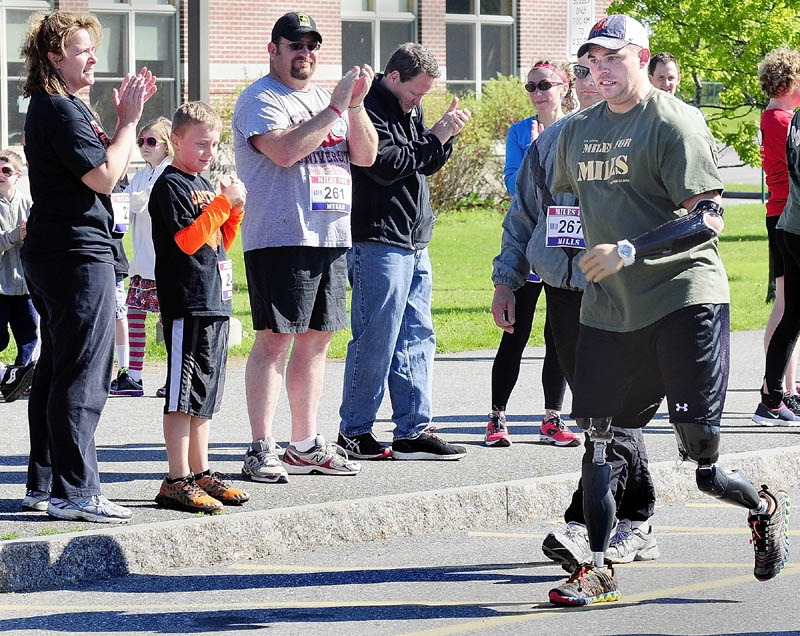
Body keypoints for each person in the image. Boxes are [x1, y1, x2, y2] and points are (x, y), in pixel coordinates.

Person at [547, 14, 790, 606]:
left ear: (641, 56)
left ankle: (761, 505)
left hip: (684, 301)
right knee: (599, 438)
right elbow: (560, 208)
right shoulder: (577, 131)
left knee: (700, 454)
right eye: (591, 61)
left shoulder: (673, 122)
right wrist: (527, 273)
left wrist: (628, 249)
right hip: (610, 310)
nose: (599, 71)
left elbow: (708, 216)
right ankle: (598, 567)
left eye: (612, 58)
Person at [492, 52, 658, 570]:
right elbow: (522, 216)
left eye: (600, 72)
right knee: (595, 412)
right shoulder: (549, 145)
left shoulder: (638, 138)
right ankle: (633, 518)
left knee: (614, 408)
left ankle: (591, 521)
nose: (592, 81)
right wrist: (507, 279)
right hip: (564, 293)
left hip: (620, 292)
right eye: (582, 72)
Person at [20, 11, 156, 521]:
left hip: (61, 252)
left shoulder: (61, 106)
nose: (93, 57)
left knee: (56, 370)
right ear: (55, 57)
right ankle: (78, 492)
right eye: (81, 49)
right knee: (82, 374)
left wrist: (118, 122)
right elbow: (104, 176)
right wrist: (128, 123)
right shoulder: (57, 107)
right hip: (76, 255)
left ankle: (47, 483)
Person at [233, 12, 377, 482]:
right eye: (295, 45)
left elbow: (366, 155)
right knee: (275, 341)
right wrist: (335, 109)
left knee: (317, 343)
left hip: (330, 235)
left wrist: (354, 107)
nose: (305, 54)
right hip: (281, 236)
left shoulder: (326, 99)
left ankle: (305, 442)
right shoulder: (260, 98)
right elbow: (285, 151)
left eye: (312, 46)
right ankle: (261, 446)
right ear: (273, 49)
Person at [336, 43, 471, 460]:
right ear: (393, 77)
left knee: (417, 334)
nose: (420, 100)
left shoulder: (409, 105)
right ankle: (354, 430)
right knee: (377, 336)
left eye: (426, 94)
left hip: (414, 237)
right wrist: (436, 136)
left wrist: (443, 134)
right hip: (377, 237)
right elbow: (385, 164)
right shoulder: (368, 106)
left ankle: (413, 428)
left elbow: (424, 163)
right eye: (416, 92)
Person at [149, 101, 250, 514]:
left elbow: (218, 242)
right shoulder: (170, 185)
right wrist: (223, 204)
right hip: (187, 304)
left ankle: (200, 471)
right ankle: (176, 479)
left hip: (214, 300)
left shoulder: (205, 184)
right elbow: (187, 241)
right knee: (181, 397)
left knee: (204, 396)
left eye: (214, 144)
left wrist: (235, 211)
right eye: (200, 144)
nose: (209, 152)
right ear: (175, 141)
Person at [487, 61, 576, 448]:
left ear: (563, 87)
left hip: (564, 245)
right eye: (531, 86)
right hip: (529, 240)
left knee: (558, 336)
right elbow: (512, 181)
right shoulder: (521, 132)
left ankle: (552, 418)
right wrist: (536, 156)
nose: (538, 92)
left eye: (545, 85)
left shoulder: (579, 129)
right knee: (515, 332)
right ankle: (496, 416)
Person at [753, 48, 800, 425]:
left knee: (788, 307)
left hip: (782, 214)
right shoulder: (783, 120)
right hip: (787, 214)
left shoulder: (776, 116)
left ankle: (781, 391)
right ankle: (775, 393)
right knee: (786, 307)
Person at [114, 116, 173, 398]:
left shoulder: (169, 170)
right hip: (142, 260)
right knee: (135, 313)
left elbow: (140, 199)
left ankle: (175, 376)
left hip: (164, 261)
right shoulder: (142, 173)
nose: (144, 146)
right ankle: (134, 376)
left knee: (170, 320)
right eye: (140, 142)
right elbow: (126, 201)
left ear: (168, 144)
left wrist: (121, 200)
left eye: (151, 141)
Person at [0, 149, 37, 403]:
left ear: (18, 175)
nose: (1, 175)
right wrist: (16, 234)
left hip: (25, 286)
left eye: (6, 171)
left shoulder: (28, 203)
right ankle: (4, 375)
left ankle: (21, 378)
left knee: (28, 335)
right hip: (1, 287)